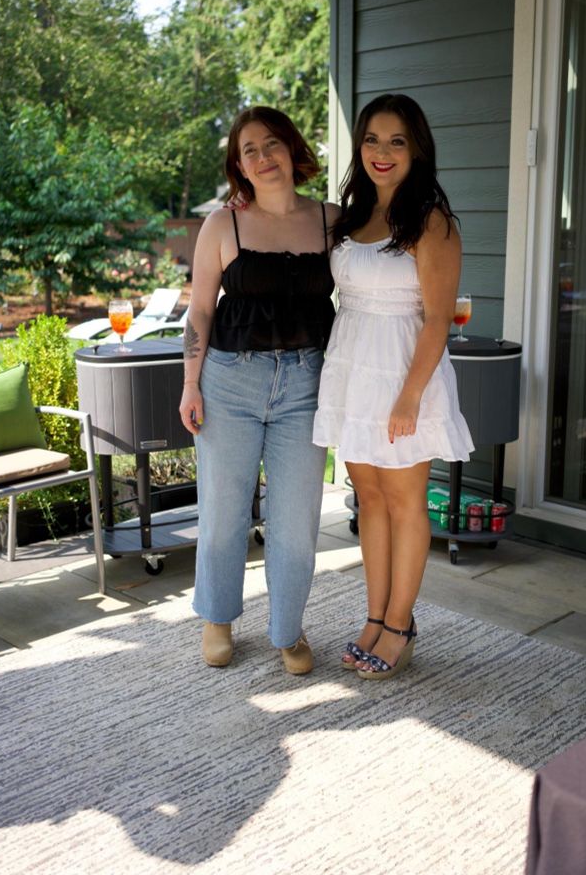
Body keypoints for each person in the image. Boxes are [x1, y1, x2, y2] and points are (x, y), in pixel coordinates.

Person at [313, 93, 474, 680]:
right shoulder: (351, 216)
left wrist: (410, 396)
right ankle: (374, 617)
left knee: (406, 501)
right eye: (372, 140)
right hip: (352, 369)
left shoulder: (431, 220)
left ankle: (400, 625)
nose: (382, 152)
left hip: (405, 374)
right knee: (371, 499)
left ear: (417, 150)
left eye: (397, 141)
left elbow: (437, 320)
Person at [180, 106, 339, 675]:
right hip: (230, 380)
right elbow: (200, 310)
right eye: (249, 150)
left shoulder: (331, 221)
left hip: (307, 384)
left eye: (271, 143)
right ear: (239, 166)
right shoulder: (222, 225)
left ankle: (287, 629)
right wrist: (190, 384)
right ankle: (218, 617)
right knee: (224, 512)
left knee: (297, 521)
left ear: (291, 149)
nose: (263, 157)